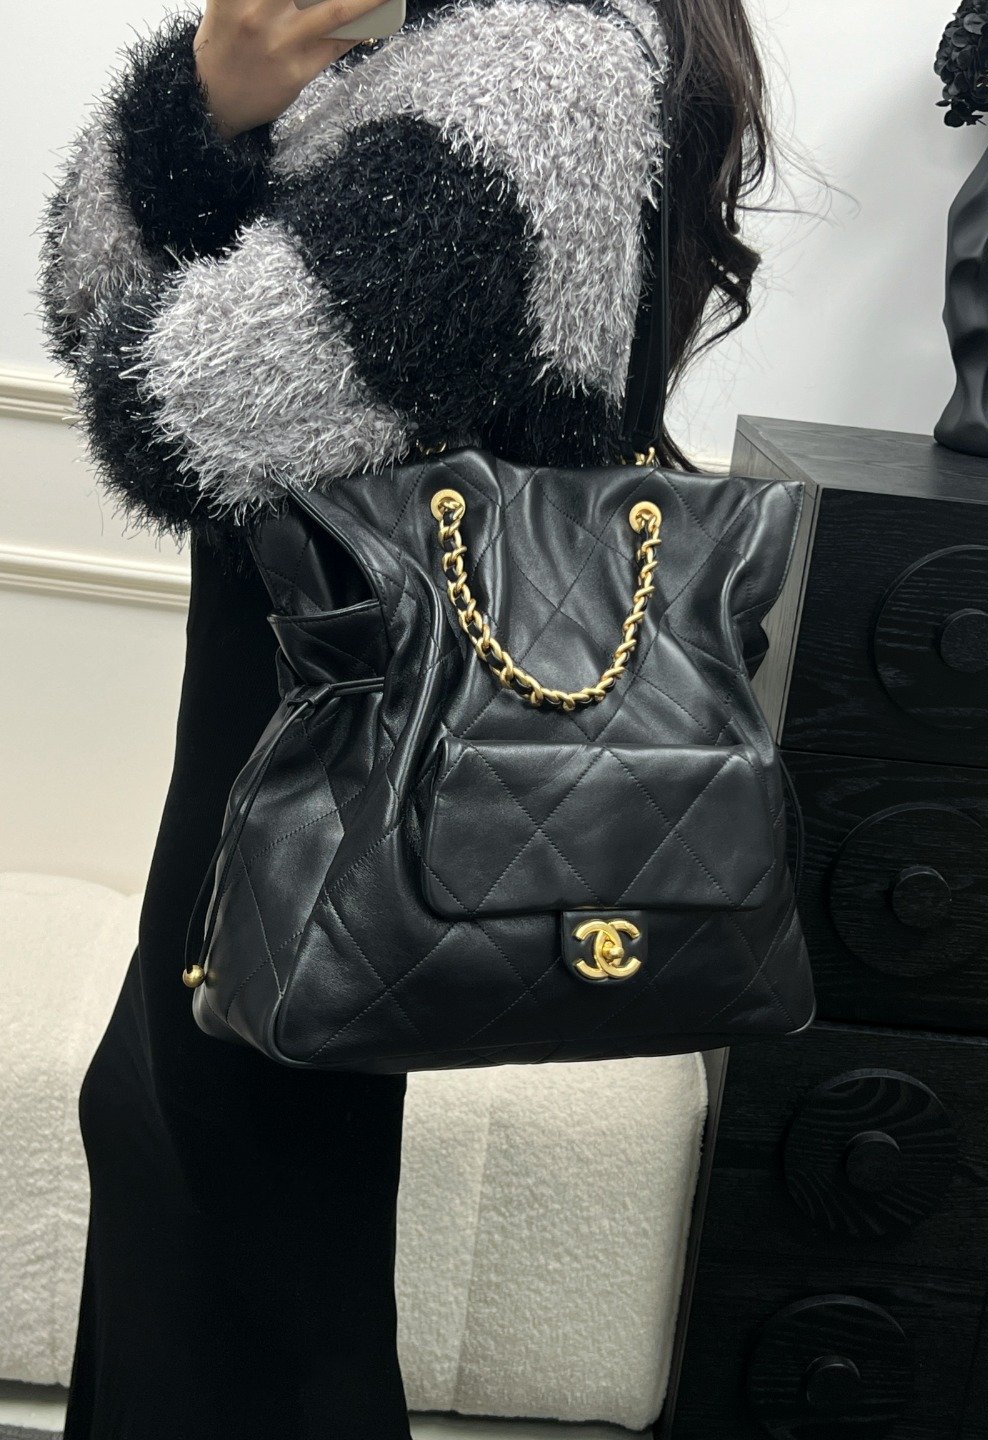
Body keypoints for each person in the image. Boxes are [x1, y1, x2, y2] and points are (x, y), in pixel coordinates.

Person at [35, 0, 786, 1432]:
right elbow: (103, 316)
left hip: (349, 758)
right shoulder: (416, 50)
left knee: (249, 1225)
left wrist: (212, 114)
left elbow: (183, 409)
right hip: (279, 736)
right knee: (189, 1172)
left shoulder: (538, 69)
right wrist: (209, 101)